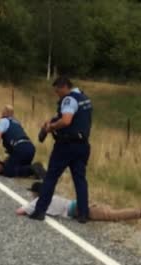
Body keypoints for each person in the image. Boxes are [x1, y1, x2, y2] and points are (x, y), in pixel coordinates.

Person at [29, 76, 93, 223]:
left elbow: (66, 120)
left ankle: (39, 211)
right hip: (82, 145)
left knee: (51, 178)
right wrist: (53, 119)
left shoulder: (68, 99)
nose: (57, 93)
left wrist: (51, 127)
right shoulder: (84, 98)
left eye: (57, 90)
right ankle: (83, 213)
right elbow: (74, 117)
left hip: (66, 145)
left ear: (63, 86)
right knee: (80, 179)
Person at [17, 182, 141, 225]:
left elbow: (21, 211)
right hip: (79, 204)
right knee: (113, 213)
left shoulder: (39, 202)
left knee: (113, 215)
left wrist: (28, 205)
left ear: (37, 194)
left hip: (79, 209)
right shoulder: (53, 197)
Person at [0, 105, 46, 179]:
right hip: (30, 147)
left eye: (2, 111)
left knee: (8, 172)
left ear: (4, 113)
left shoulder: (3, 121)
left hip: (20, 147)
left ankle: (32, 169)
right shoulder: (17, 123)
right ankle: (32, 169)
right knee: (20, 168)